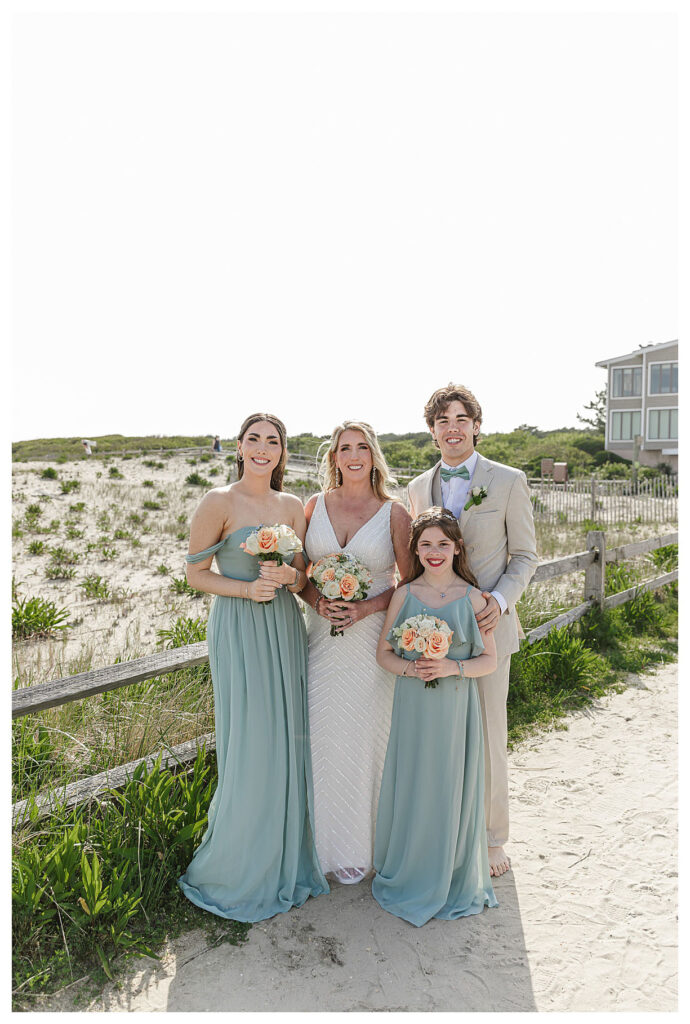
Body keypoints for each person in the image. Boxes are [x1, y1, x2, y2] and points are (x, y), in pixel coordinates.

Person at [178, 412, 328, 921]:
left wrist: (289, 574)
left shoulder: (291, 505)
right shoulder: (217, 501)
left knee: (286, 738)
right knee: (250, 740)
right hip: (240, 629)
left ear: (283, 451)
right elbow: (194, 573)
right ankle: (240, 864)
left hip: (283, 629)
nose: (263, 448)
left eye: (273, 441)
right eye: (254, 439)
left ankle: (284, 856)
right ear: (239, 447)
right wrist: (246, 587)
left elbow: (303, 570)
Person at [407, 384, 538, 878]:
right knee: (439, 737)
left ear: (477, 426)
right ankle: (446, 831)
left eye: (462, 418)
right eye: (443, 420)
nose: (453, 428)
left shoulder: (507, 480)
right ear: (433, 431)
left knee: (487, 736)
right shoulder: (418, 487)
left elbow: (524, 555)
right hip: (433, 632)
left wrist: (500, 603)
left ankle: (491, 840)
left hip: (488, 629)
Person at [372, 508, 498, 926]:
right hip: (413, 708)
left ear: (457, 547)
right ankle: (413, 868)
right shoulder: (404, 596)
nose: (434, 552)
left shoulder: (473, 598)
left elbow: (488, 661)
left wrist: (451, 667)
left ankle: (450, 872)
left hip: (454, 709)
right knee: (415, 782)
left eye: (443, 543)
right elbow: (385, 655)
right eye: (425, 544)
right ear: (416, 550)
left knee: (448, 784)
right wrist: (413, 669)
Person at [300, 421, 413, 885]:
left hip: (370, 644)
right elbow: (299, 575)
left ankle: (364, 846)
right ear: (333, 457)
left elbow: (410, 584)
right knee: (322, 735)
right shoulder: (312, 507)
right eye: (344, 448)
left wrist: (366, 607)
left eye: (361, 447)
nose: (353, 455)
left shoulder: (394, 513)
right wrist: (317, 601)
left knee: (367, 736)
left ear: (373, 456)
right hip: (321, 640)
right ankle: (320, 846)